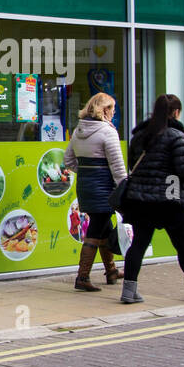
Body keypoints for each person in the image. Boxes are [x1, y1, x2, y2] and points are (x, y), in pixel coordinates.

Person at [119, 93, 184, 304]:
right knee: (183, 246)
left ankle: (129, 291)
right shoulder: (176, 136)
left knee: (138, 245)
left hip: (141, 199)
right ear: (175, 113)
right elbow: (183, 169)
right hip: (169, 198)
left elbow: (132, 165)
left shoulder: (141, 136)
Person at [64, 92, 126, 291]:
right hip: (104, 188)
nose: (113, 113)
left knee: (104, 227)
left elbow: (69, 161)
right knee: (95, 230)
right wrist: (124, 186)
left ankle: (111, 271)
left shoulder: (79, 130)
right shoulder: (107, 132)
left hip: (86, 187)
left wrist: (86, 172)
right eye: (112, 109)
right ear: (105, 110)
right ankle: (82, 277)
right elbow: (117, 166)